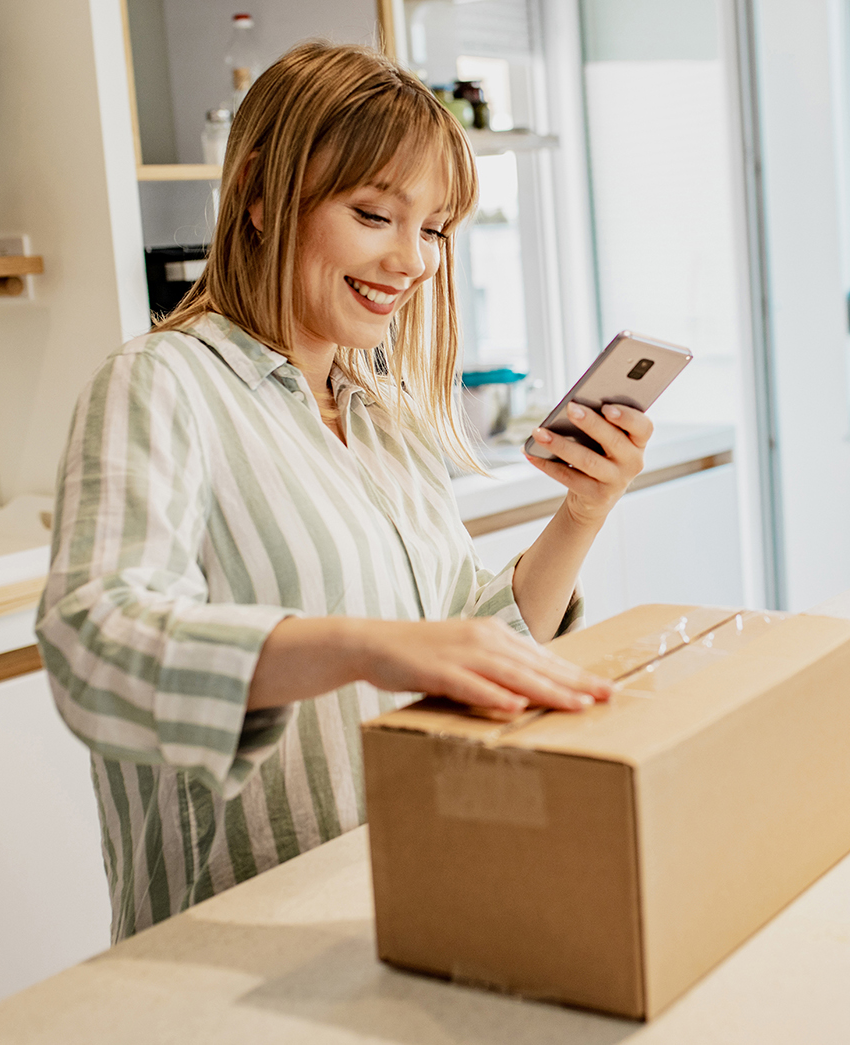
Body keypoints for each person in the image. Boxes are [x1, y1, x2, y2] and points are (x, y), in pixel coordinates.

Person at [36, 42, 656, 941]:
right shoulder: (160, 384)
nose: (413, 261)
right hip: (241, 948)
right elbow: (94, 641)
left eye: (435, 228)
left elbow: (462, 644)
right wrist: (362, 647)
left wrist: (582, 511)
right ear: (258, 194)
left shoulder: (380, 410)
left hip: (407, 901)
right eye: (374, 214)